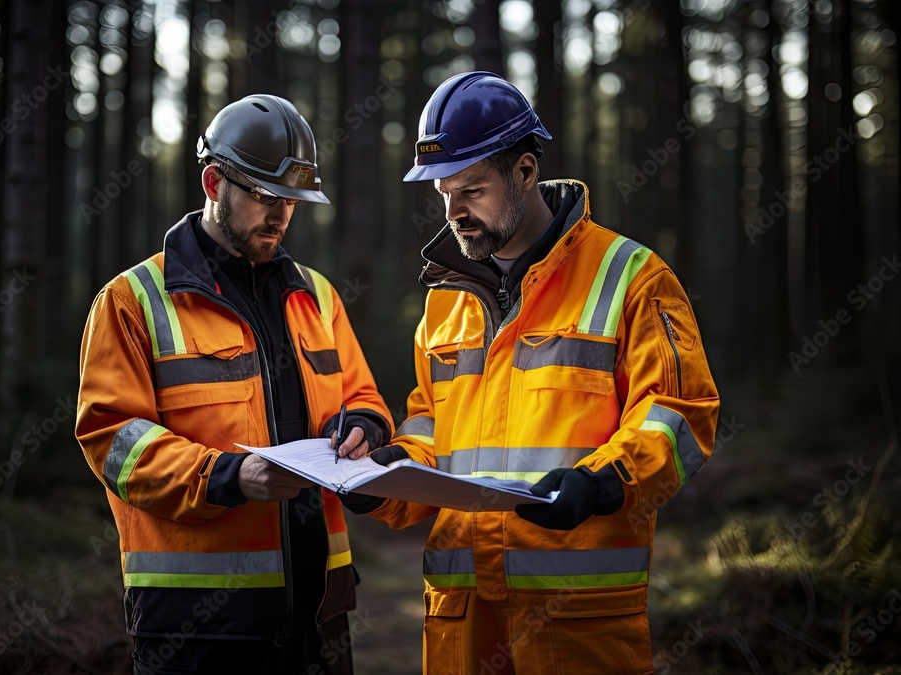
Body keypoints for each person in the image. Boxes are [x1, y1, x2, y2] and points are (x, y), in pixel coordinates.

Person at [345, 72, 720, 673]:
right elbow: (428, 427)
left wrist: (600, 483)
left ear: (525, 172)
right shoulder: (446, 299)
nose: (455, 212)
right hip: (462, 614)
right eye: (443, 193)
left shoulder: (632, 277)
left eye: (472, 190)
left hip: (578, 617)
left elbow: (680, 418)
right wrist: (385, 477)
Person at [75, 94, 393, 674]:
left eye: (292, 201)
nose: (281, 216)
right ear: (213, 182)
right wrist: (226, 476)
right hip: (197, 627)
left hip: (321, 614)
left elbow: (364, 398)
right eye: (265, 197)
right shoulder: (132, 301)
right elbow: (112, 441)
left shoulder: (317, 296)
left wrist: (363, 427)